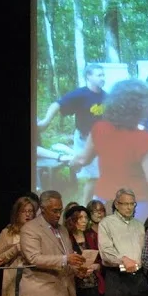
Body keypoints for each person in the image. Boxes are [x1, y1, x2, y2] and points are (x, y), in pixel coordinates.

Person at [72, 79, 148, 221]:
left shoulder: (99, 128)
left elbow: (82, 159)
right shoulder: (142, 138)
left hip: (104, 203)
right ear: (138, 107)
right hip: (136, 206)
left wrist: (70, 163)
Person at [38, 63, 107, 206]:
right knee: (94, 176)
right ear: (89, 76)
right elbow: (57, 104)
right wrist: (45, 121)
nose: (103, 78)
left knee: (98, 175)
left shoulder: (106, 96)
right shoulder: (80, 94)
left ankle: (92, 203)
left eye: (103, 75)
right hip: (83, 139)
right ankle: (85, 205)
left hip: (101, 141)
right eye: (99, 75)